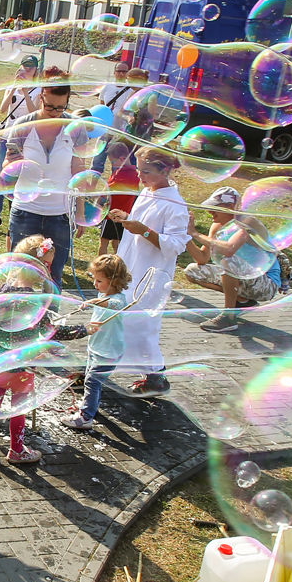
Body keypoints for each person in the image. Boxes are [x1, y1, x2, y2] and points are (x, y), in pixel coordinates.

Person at [0, 234, 63, 464]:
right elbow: (50, 330)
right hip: (22, 362)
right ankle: (17, 450)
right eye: (47, 265)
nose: (49, 271)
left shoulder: (4, 289)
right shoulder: (35, 299)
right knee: (18, 407)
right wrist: (84, 330)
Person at [110, 147, 191, 397]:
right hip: (131, 267)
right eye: (138, 169)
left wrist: (142, 230)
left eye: (146, 171)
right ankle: (107, 366)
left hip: (151, 274)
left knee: (142, 326)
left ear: (165, 170)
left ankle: (156, 374)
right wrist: (126, 218)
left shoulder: (175, 204)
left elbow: (177, 244)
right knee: (122, 320)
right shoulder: (147, 192)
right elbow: (139, 225)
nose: (140, 175)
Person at [4, 78, 88, 285]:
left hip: (59, 215)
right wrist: (14, 165)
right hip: (25, 210)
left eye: (61, 107)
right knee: (19, 275)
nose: (55, 112)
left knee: (54, 276)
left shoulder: (76, 128)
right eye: (49, 106)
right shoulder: (23, 125)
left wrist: (80, 212)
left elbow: (78, 171)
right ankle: (14, 316)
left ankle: (49, 318)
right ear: (40, 96)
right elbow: (8, 162)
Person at [184, 187, 281, 333]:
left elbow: (229, 249)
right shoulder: (216, 226)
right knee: (192, 271)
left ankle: (228, 318)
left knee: (228, 261)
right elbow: (202, 259)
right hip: (243, 277)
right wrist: (185, 236)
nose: (209, 212)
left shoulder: (248, 222)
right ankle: (243, 300)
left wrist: (196, 234)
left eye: (214, 207)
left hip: (266, 283)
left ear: (230, 207)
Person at [63, 254, 131, 430]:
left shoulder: (119, 299)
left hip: (108, 352)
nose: (95, 284)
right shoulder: (104, 295)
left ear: (114, 281)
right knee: (91, 380)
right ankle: (89, 404)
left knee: (92, 382)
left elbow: (113, 305)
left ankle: (86, 417)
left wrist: (95, 301)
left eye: (99, 281)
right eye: (94, 279)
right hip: (97, 348)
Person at [0, 55, 42, 232]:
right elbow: (3, 109)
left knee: (18, 178)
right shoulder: (12, 86)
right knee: (1, 177)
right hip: (7, 136)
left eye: (30, 67)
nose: (27, 70)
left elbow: (34, 112)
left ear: (36, 70)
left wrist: (26, 91)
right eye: (24, 66)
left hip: (25, 139)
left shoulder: (38, 89)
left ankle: (15, 216)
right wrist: (13, 88)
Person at [98, 143, 139, 257]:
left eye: (112, 162)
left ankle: (110, 268)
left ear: (121, 158)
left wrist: (100, 197)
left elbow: (110, 189)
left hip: (115, 215)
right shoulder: (124, 173)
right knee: (111, 244)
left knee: (109, 244)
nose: (112, 165)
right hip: (116, 215)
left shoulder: (131, 175)